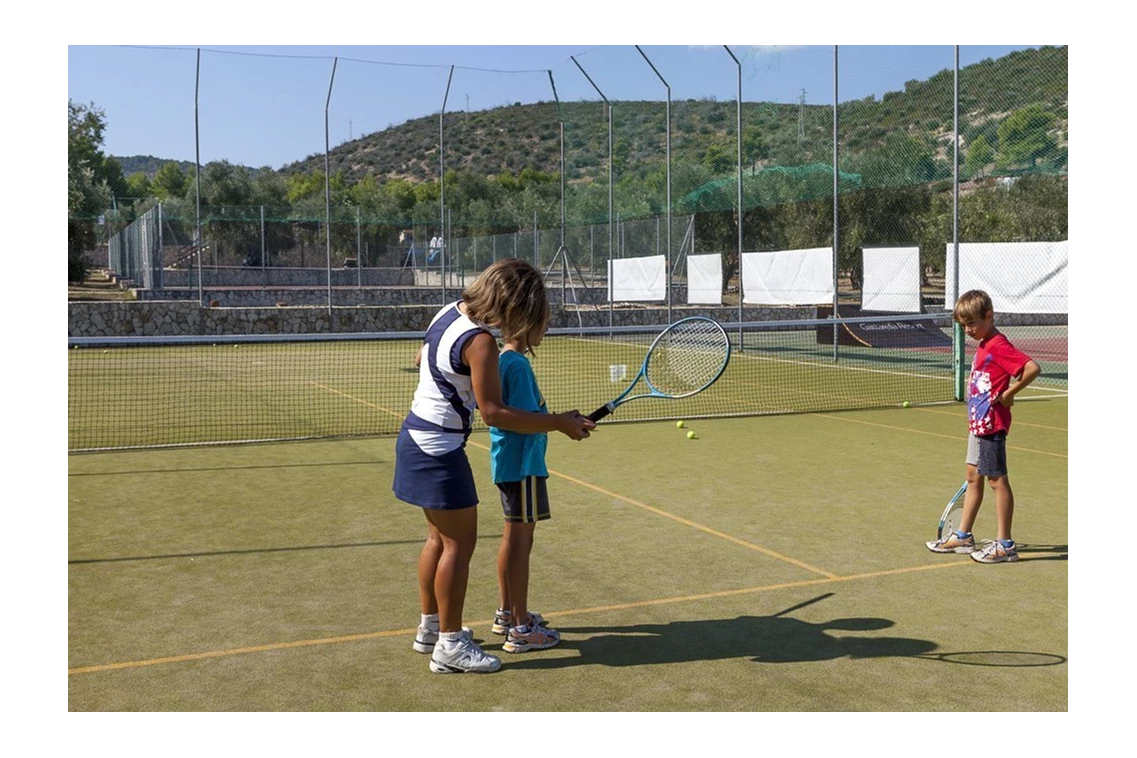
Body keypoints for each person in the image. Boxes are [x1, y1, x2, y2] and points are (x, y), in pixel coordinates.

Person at [393, 258, 595, 674]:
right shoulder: (481, 341)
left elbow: (421, 357)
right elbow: (495, 413)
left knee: (437, 540)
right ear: (513, 303)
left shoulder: (448, 312)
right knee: (457, 546)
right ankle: (449, 647)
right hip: (439, 450)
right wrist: (558, 422)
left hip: (415, 439)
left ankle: (430, 628)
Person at [925, 289, 1041, 564]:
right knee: (972, 477)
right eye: (963, 326)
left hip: (992, 425)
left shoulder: (998, 344)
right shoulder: (983, 344)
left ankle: (1005, 544)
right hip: (977, 425)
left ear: (989, 316)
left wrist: (1011, 393)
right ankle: (963, 535)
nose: (967, 330)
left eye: (972, 324)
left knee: (997, 481)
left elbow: (1032, 368)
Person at [488, 316, 564, 654]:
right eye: (541, 319)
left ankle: (507, 613)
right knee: (522, 543)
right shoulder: (516, 365)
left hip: (509, 465)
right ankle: (519, 628)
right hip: (524, 467)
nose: (546, 325)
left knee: (512, 538)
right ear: (524, 323)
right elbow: (524, 421)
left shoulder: (504, 360)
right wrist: (562, 423)